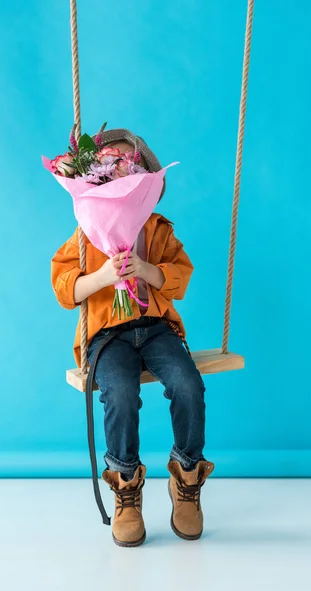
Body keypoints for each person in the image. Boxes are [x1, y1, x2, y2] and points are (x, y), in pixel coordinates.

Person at [51, 128, 214, 547]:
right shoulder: (87, 233)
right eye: (111, 169)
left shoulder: (157, 229)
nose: (121, 178)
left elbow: (179, 278)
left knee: (188, 384)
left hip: (156, 327)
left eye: (130, 169)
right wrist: (103, 276)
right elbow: (64, 287)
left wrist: (146, 270)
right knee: (120, 393)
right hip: (108, 334)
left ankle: (187, 478)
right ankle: (126, 488)